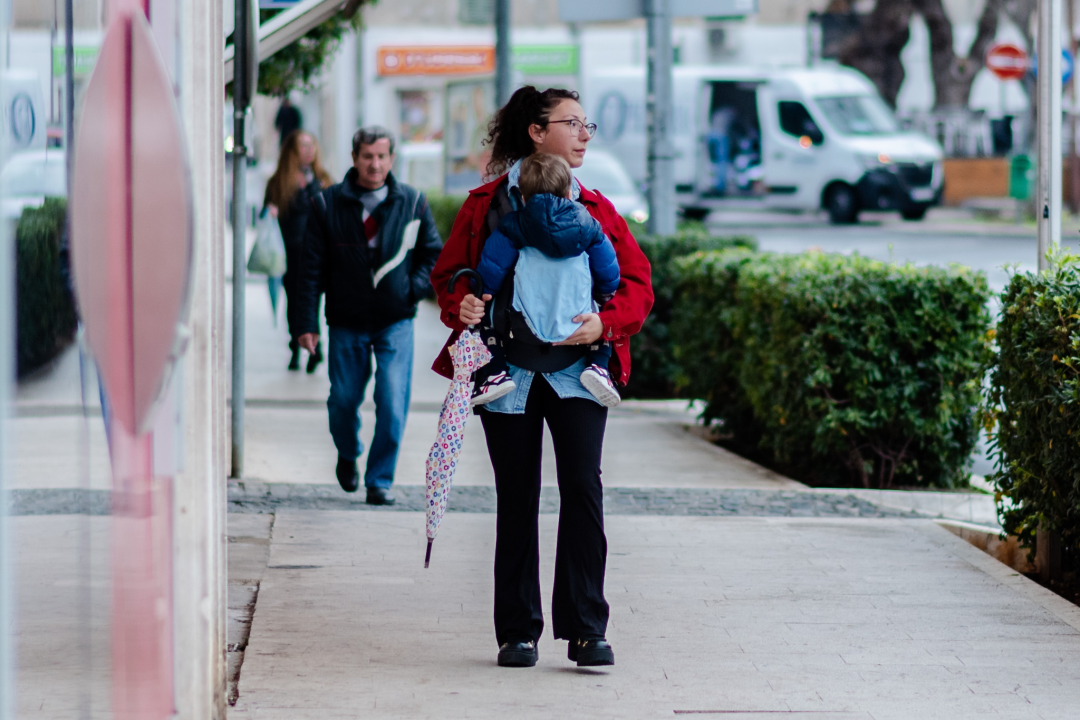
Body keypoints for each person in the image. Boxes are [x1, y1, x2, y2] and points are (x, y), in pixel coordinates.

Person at [431, 87, 654, 668]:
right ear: (536, 131)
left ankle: (586, 628)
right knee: (517, 497)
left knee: (583, 489)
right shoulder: (484, 205)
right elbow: (450, 274)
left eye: (587, 124)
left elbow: (636, 285)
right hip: (506, 373)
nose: (584, 133)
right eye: (572, 123)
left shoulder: (598, 209)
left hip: (580, 373)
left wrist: (603, 325)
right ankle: (517, 632)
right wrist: (464, 304)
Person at [296, 126, 443, 505]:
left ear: (392, 159)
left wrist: (412, 288)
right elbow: (308, 269)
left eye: (381, 156)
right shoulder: (326, 205)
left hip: (395, 319)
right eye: (367, 156)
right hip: (346, 320)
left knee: (393, 401)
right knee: (343, 400)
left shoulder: (413, 202)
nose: (374, 164)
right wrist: (306, 325)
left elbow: (433, 254)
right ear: (354, 157)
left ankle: (380, 479)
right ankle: (348, 452)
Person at [471, 152, 621, 408]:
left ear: (522, 196)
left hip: (526, 321)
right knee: (602, 317)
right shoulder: (589, 224)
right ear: (569, 192)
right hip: (577, 321)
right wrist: (607, 291)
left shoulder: (512, 226)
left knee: (482, 322)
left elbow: (492, 267)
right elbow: (608, 267)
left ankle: (494, 371)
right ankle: (598, 366)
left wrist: (484, 291)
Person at [264, 130, 334, 372]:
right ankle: (296, 348)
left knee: (313, 301)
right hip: (291, 253)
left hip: (320, 254)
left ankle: (316, 347)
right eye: (303, 145)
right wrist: (271, 210)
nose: (309, 150)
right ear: (292, 151)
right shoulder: (279, 182)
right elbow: (268, 212)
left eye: (311, 145)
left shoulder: (323, 179)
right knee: (294, 302)